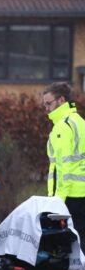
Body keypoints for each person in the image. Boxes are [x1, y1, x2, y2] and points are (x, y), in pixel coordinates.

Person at [43, 82, 85, 254]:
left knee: (64, 245)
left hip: (69, 196)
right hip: (81, 192)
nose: (45, 108)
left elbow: (64, 168)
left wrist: (57, 200)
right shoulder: (79, 121)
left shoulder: (63, 126)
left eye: (48, 103)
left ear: (61, 100)